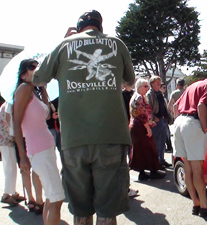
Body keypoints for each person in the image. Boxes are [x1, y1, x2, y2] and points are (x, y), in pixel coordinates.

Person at [33, 10, 135, 225]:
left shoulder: (64, 46)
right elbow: (130, 81)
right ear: (100, 27)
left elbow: (38, 77)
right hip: (111, 136)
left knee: (81, 208)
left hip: (74, 140)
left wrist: (64, 44)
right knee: (108, 210)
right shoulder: (116, 43)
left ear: (78, 28)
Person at [13, 59, 64, 224]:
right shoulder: (23, 89)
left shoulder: (33, 90)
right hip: (39, 150)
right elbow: (16, 123)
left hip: (46, 149)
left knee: (52, 197)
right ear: (23, 73)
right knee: (56, 198)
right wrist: (22, 156)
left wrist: (42, 89)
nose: (36, 69)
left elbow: (47, 115)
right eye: (32, 67)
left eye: (38, 67)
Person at [173, 69, 207, 216]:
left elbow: (173, 106)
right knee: (197, 168)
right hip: (193, 123)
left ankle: (196, 204)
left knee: (188, 167)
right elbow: (201, 106)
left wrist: (179, 122)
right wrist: (205, 127)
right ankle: (205, 206)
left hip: (179, 122)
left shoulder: (195, 84)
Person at [129, 78, 166, 180]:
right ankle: (152, 171)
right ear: (139, 87)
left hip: (137, 127)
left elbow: (143, 114)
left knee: (141, 150)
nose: (147, 88)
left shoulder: (138, 97)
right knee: (149, 149)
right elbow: (140, 115)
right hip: (140, 127)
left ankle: (143, 173)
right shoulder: (139, 98)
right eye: (145, 86)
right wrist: (148, 127)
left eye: (147, 86)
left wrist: (150, 122)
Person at [0, 102, 26, 206]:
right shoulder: (9, 105)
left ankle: (12, 192)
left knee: (10, 167)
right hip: (6, 140)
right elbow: (9, 123)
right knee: (10, 168)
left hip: (5, 140)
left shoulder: (7, 105)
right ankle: (6, 194)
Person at [146, 76, 173, 169]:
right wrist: (154, 118)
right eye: (157, 82)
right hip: (156, 121)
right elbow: (148, 108)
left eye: (159, 82)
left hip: (163, 120)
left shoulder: (159, 93)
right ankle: (156, 162)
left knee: (162, 142)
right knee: (156, 143)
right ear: (152, 83)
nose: (159, 84)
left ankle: (161, 160)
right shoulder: (150, 94)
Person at [161, 83, 173, 153]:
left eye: (165, 88)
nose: (165, 89)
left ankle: (169, 147)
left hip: (165, 119)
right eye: (163, 88)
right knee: (165, 134)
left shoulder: (164, 98)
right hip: (161, 119)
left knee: (167, 133)